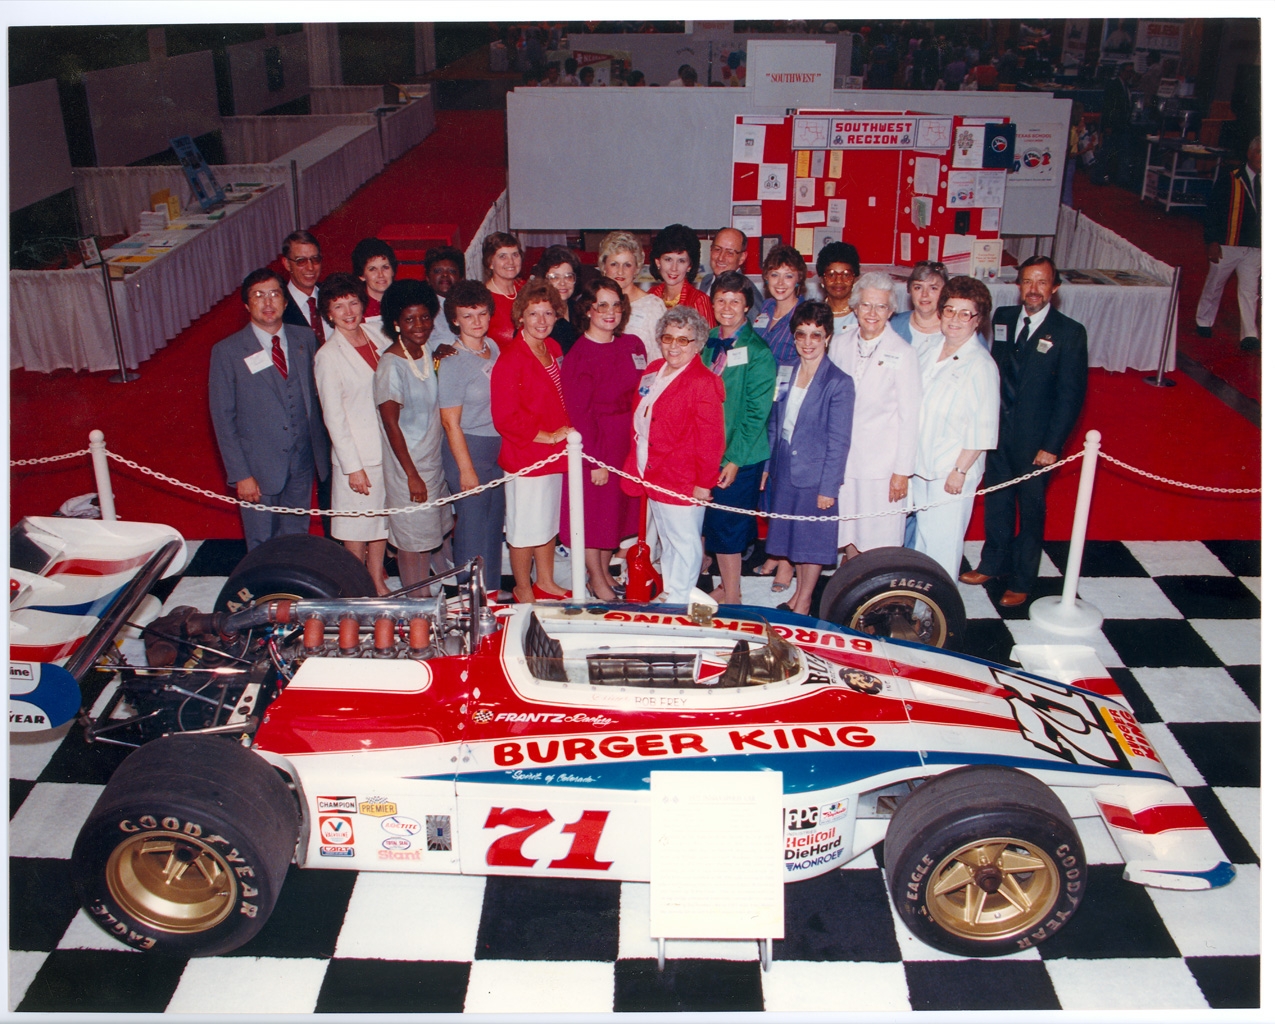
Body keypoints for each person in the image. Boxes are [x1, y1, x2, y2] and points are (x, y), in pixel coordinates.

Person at [961, 257, 1087, 607]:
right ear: (1019, 285)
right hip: (998, 434)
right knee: (997, 501)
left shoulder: (1069, 332)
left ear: (1055, 288)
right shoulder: (1003, 317)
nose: (1034, 289)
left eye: (1042, 282)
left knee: (1031, 512)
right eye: (1028, 281)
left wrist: (1052, 445)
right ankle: (992, 564)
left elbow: (1071, 397)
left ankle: (1022, 579)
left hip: (1037, 442)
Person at [209, 268, 330, 549]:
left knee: (296, 536)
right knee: (262, 541)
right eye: (258, 295)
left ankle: (291, 577)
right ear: (246, 304)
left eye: (274, 294)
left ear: (285, 302)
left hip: (302, 461)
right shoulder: (228, 351)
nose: (267, 302)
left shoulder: (304, 339)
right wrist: (241, 474)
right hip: (258, 468)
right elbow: (223, 419)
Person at [622, 307, 725, 605]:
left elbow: (712, 439)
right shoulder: (654, 368)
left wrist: (704, 483)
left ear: (697, 344)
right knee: (667, 538)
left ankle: (681, 599)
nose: (674, 346)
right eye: (668, 338)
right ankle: (671, 591)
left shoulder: (703, 381)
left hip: (682, 476)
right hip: (651, 469)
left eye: (683, 340)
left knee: (684, 541)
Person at [761, 301, 855, 616]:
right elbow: (774, 422)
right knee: (794, 537)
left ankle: (804, 599)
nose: (808, 342)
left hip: (815, 473)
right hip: (785, 466)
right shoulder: (785, 369)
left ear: (828, 337)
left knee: (811, 540)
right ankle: (798, 593)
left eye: (816, 335)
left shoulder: (839, 382)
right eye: (801, 334)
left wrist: (829, 487)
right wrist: (767, 465)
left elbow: (839, 441)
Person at [560, 277, 647, 600]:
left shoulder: (632, 345)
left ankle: (605, 573)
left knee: (614, 516)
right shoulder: (580, 355)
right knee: (595, 516)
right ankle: (596, 578)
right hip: (597, 445)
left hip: (627, 442)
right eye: (602, 306)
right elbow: (580, 414)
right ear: (588, 310)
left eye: (616, 305)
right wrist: (594, 461)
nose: (610, 312)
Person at [911, 277, 1000, 585]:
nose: (955, 319)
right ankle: (921, 599)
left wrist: (960, 471)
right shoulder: (931, 348)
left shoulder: (981, 364)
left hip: (951, 470)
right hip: (923, 464)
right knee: (924, 539)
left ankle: (940, 607)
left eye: (965, 313)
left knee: (944, 545)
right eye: (949, 310)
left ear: (978, 319)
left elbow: (984, 425)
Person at [490, 281, 572, 603]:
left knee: (547, 521)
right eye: (533, 313)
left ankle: (546, 581)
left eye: (548, 313)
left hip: (554, 454)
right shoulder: (511, 358)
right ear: (520, 316)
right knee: (524, 527)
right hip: (526, 454)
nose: (541, 320)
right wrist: (547, 436)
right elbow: (505, 418)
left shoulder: (553, 348)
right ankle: (522, 587)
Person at [827, 271, 921, 557]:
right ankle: (853, 575)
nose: (872, 313)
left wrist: (902, 472)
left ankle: (876, 580)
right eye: (866, 304)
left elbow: (910, 418)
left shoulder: (903, 353)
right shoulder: (839, 343)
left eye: (881, 306)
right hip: (845, 460)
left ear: (891, 311)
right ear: (855, 307)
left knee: (879, 536)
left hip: (882, 467)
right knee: (849, 528)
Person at [313, 273, 391, 595]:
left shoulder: (377, 334)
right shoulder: (328, 356)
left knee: (381, 520)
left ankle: (376, 579)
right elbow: (333, 418)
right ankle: (356, 586)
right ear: (328, 314)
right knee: (356, 527)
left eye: (353, 302)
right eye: (338, 306)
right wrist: (352, 467)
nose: (348, 312)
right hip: (358, 455)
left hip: (387, 446)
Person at [702, 271, 777, 605]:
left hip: (740, 453)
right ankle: (723, 585)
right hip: (708, 450)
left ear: (747, 306)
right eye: (721, 300)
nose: (727, 307)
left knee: (729, 527)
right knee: (713, 523)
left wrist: (733, 459)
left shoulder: (757, 351)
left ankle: (733, 596)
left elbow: (755, 414)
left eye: (735, 301)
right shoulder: (707, 341)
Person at [375, 279, 452, 592]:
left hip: (432, 462)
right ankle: (416, 602)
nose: (419, 325)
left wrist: (439, 358)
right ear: (396, 323)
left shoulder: (425, 350)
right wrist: (411, 475)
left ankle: (427, 595)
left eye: (424, 317)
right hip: (408, 467)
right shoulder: (390, 365)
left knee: (429, 535)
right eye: (409, 319)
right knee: (412, 540)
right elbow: (391, 425)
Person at [437, 280, 505, 596]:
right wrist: (465, 469)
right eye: (467, 315)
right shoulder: (452, 361)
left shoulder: (494, 347)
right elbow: (449, 422)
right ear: (455, 319)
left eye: (481, 313)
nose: (476, 321)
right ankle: (468, 600)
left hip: (495, 449)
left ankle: (490, 595)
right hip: (467, 448)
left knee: (493, 525)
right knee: (472, 527)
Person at [1195, 136, 1261, 352]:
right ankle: (1204, 320)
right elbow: (1212, 212)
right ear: (1250, 153)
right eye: (1260, 152)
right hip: (1227, 244)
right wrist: (1212, 241)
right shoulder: (1230, 178)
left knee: (1250, 291)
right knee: (1215, 284)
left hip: (1255, 247)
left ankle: (1249, 334)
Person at [598, 230, 665, 361]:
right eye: (614, 264)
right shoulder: (594, 304)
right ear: (604, 267)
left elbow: (661, 357)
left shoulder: (653, 306)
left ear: (636, 268)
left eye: (627, 265)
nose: (620, 271)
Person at [647, 223, 714, 328]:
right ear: (658, 262)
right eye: (668, 259)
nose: (674, 268)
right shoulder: (650, 296)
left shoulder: (699, 300)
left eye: (681, 261)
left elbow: (709, 338)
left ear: (689, 266)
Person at [279, 230, 331, 346]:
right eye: (301, 261)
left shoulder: (332, 294)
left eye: (315, 259)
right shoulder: (279, 307)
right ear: (287, 264)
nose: (310, 267)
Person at [530, 244, 583, 354]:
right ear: (544, 280)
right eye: (555, 277)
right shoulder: (539, 315)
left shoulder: (579, 309)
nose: (563, 283)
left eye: (568, 277)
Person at [698, 227, 764, 313]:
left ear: (742, 258)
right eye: (717, 249)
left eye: (729, 253)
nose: (721, 258)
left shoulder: (748, 294)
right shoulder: (707, 280)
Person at [481, 231, 525, 348]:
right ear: (490, 263)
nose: (511, 262)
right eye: (502, 256)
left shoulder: (527, 288)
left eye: (515, 255)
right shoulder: (482, 298)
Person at [1096, 62, 1136, 187]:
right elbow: (1108, 106)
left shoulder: (1127, 87)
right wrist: (1108, 125)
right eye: (1128, 71)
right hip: (1113, 125)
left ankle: (1122, 179)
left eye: (1131, 72)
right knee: (1106, 152)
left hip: (1123, 125)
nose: (1130, 74)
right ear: (1121, 71)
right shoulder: (1114, 85)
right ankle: (1098, 176)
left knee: (1123, 152)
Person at [889, 261, 948, 344]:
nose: (924, 294)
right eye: (918, 287)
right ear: (909, 290)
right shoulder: (892, 325)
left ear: (944, 291)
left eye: (933, 288)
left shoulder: (953, 329)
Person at [815, 241, 861, 338]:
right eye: (831, 274)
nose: (839, 281)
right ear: (822, 279)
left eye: (846, 275)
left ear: (854, 278)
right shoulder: (814, 314)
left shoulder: (863, 314)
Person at [424, 245, 466, 349]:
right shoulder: (424, 309)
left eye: (452, 271)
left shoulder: (468, 305)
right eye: (438, 271)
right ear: (428, 278)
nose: (445, 275)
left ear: (461, 278)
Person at [350, 237, 397, 320]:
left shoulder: (404, 303)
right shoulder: (356, 310)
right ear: (362, 276)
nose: (380, 274)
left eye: (385, 267)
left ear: (393, 271)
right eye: (372, 269)